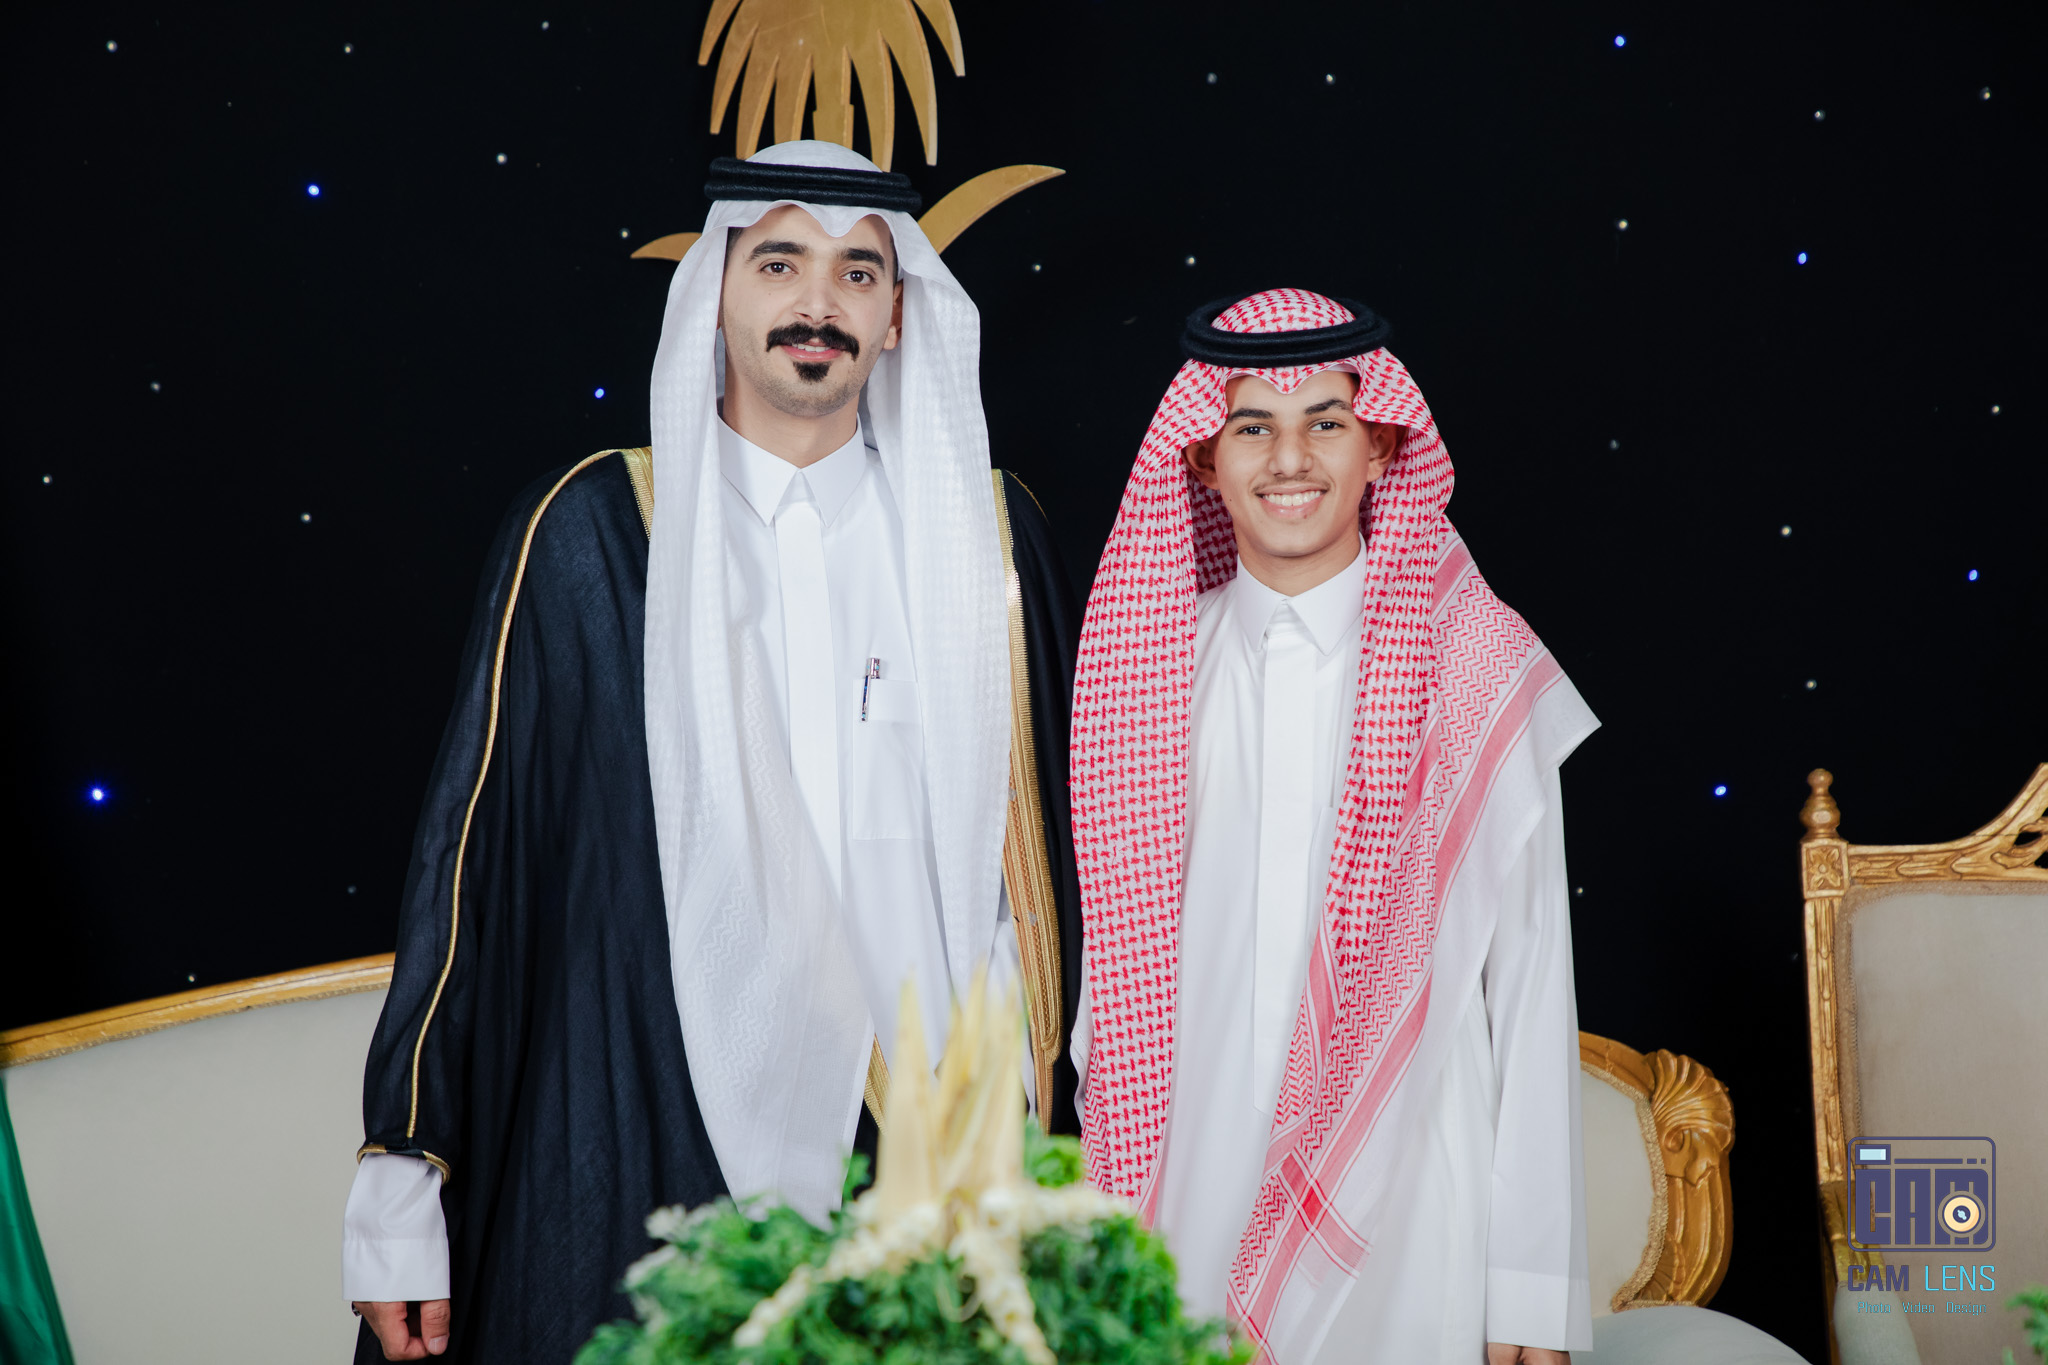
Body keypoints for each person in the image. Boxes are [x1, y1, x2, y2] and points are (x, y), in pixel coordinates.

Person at [341, 141, 1083, 1364]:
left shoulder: (986, 544)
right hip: (649, 1115)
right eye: (779, 263)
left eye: (857, 274)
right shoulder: (592, 536)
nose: (817, 304)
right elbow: (474, 870)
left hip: (922, 1156)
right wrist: (402, 1181)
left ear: (899, 317)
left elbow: (1070, 863)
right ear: (714, 293)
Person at [1069, 289, 1596, 1364]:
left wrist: (1532, 1291)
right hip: (1187, 1171)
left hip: (1408, 1184)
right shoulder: (1148, 666)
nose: (1288, 459)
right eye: (1251, 426)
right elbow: (1113, 980)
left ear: (1380, 449)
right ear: (1202, 461)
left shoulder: (1469, 661)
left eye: (1325, 422)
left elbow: (1534, 979)